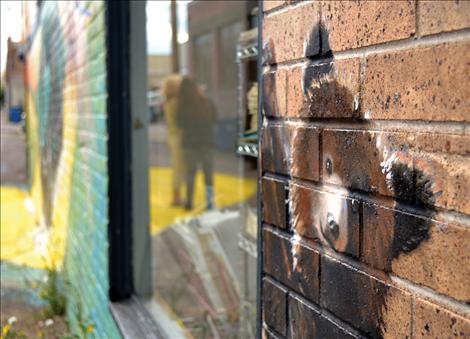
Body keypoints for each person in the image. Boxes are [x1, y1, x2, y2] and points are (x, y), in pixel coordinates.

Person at [176, 76, 216, 210]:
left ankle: (189, 203)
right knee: (208, 174)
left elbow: (179, 123)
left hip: (190, 144)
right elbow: (215, 118)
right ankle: (210, 203)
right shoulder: (206, 101)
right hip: (207, 142)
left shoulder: (182, 105)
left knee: (190, 174)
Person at [162, 74, 185, 206]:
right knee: (179, 168)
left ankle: (177, 196)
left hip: (174, 137)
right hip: (178, 138)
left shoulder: (169, 101)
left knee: (179, 167)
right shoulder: (175, 103)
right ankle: (176, 197)